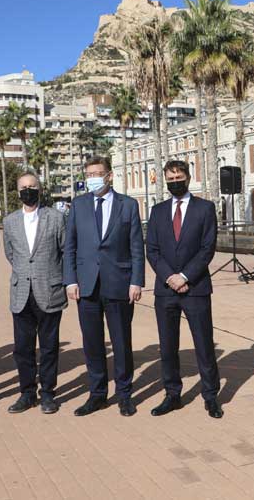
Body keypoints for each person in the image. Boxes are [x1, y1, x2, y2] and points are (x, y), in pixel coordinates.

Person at [63, 157, 144, 417]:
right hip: (86, 286)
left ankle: (124, 395)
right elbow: (70, 246)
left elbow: (136, 247)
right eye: (89, 174)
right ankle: (97, 395)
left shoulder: (128, 205)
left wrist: (136, 281)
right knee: (93, 344)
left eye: (98, 173)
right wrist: (70, 280)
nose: (93, 178)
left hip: (119, 284)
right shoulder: (78, 205)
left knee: (121, 342)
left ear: (109, 176)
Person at [146, 160, 223, 419]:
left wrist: (185, 276)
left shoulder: (205, 208)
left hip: (196, 287)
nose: (174, 181)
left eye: (179, 176)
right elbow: (152, 250)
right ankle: (172, 394)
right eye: (170, 178)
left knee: (203, 345)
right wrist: (170, 277)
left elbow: (207, 249)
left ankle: (211, 396)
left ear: (188, 178)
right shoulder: (157, 212)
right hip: (165, 290)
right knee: (168, 347)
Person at [3, 173, 67, 414]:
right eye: (23, 187)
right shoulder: (10, 222)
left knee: (49, 347)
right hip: (21, 293)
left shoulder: (56, 217)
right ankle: (27, 393)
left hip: (49, 291)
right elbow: (12, 254)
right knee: (23, 348)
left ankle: (48, 394)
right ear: (17, 191)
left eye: (32, 186)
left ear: (40, 189)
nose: (27, 190)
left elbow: (64, 251)